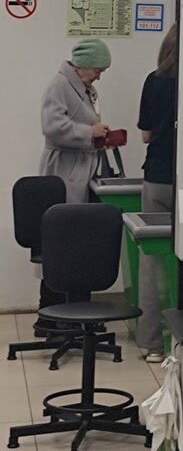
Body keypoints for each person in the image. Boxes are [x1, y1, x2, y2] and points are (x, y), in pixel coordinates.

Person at [38, 37, 112, 314]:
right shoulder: (59, 85)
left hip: (81, 168)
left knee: (79, 244)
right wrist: (88, 133)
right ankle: (53, 312)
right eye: (98, 70)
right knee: (62, 244)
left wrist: (100, 137)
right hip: (64, 170)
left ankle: (77, 309)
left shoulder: (83, 88)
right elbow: (52, 126)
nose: (99, 76)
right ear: (83, 65)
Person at [136, 24, 177, 363]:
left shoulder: (154, 80)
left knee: (153, 263)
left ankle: (152, 343)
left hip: (159, 176)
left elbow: (146, 135)